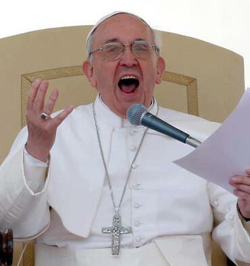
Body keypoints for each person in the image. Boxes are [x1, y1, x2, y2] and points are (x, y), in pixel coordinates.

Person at [0, 11, 250, 266]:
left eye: (141, 48)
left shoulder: (203, 137)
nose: (128, 59)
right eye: (112, 49)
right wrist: (35, 154)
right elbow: (8, 223)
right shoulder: (50, 132)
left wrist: (247, 213)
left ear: (159, 70)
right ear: (91, 74)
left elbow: (244, 249)